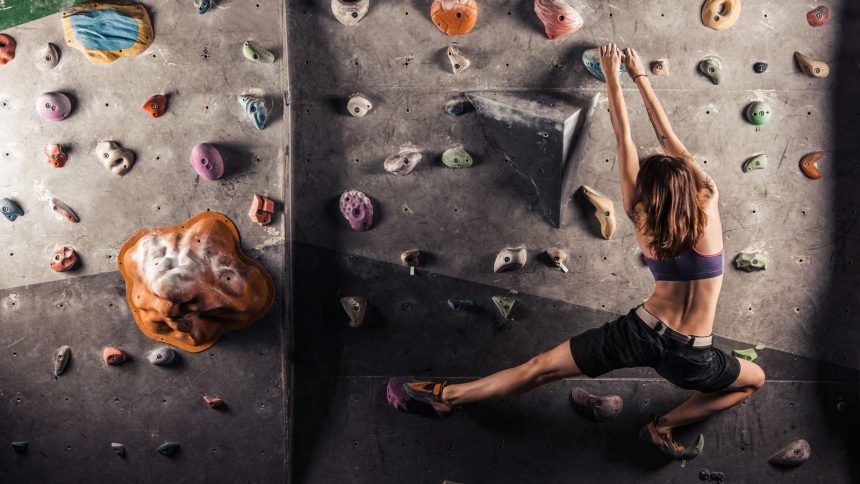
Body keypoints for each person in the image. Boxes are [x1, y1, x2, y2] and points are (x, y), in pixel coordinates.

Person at [386, 44, 766, 459]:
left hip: (640, 332)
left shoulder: (641, 217)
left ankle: (449, 396)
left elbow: (625, 136)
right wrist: (642, 76)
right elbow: (667, 138)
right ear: (687, 185)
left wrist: (614, 74)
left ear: (651, 194)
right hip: (691, 355)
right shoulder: (707, 200)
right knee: (755, 379)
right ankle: (664, 426)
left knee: (538, 370)